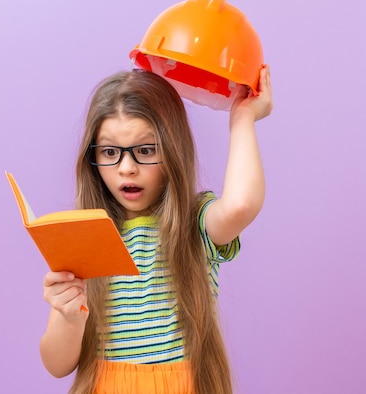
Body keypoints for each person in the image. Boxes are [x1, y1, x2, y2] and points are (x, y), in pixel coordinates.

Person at [40, 65, 273, 394]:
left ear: (173, 150)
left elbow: (240, 206)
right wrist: (69, 316)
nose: (127, 168)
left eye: (145, 150)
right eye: (109, 152)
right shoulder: (84, 236)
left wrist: (243, 118)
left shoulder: (196, 224)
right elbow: (56, 364)